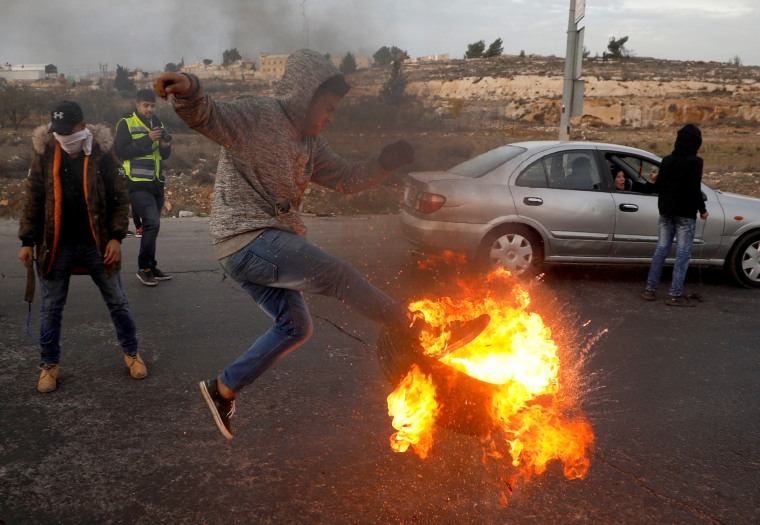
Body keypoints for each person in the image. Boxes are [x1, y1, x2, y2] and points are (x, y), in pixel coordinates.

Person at [153, 49, 490, 440]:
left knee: (296, 327)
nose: (330, 117)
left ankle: (223, 388)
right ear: (304, 96)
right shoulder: (257, 115)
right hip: (247, 237)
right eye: (327, 107)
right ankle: (424, 331)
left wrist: (382, 163)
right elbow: (206, 115)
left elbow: (346, 179)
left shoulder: (312, 144)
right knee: (338, 274)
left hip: (259, 247)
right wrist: (189, 87)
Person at [18, 101, 147, 393]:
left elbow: (119, 197)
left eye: (67, 130)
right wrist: (27, 241)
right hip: (55, 245)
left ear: (81, 126)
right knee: (51, 308)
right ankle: (49, 365)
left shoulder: (101, 153)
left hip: (98, 244)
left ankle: (132, 353)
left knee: (118, 302)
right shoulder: (46, 151)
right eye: (57, 131)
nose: (62, 137)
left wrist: (116, 236)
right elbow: (33, 198)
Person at [641, 123, 708, 306]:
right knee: (683, 254)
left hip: (666, 212)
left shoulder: (667, 160)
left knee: (661, 250)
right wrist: (702, 210)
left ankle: (650, 290)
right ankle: (675, 294)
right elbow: (694, 189)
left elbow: (659, 185)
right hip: (685, 215)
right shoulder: (696, 162)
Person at [115, 88, 173, 286]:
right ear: (137, 105)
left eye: (153, 106)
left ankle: (151, 265)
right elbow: (121, 151)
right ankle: (144, 268)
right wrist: (147, 139)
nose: (150, 109)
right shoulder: (126, 124)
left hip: (156, 183)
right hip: (137, 183)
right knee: (152, 223)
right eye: (146, 105)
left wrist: (166, 147)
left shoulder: (158, 124)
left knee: (152, 227)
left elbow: (163, 156)